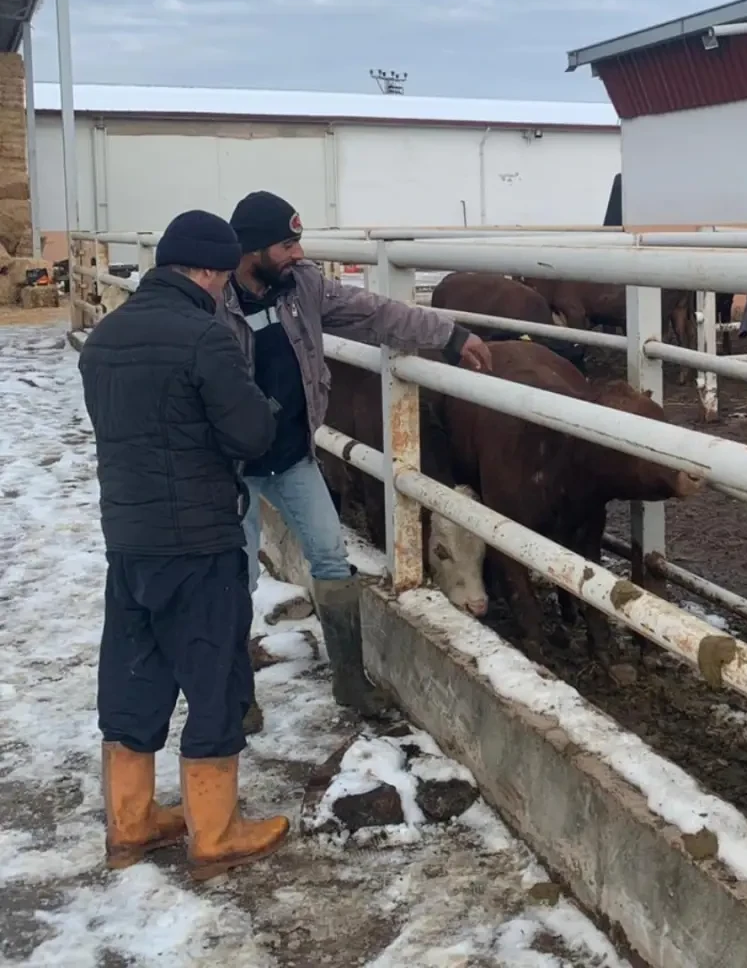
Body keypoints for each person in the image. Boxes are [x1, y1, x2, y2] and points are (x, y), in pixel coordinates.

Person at [218, 191, 492, 727]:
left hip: (293, 454)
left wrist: (450, 335)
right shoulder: (211, 298)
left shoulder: (301, 287)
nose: (298, 253)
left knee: (331, 559)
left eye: (298, 241)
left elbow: (375, 314)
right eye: (286, 244)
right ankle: (235, 694)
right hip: (230, 467)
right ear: (250, 250)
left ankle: (349, 680)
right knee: (235, 574)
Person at [80, 210, 290, 879]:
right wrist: (271, 405)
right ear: (207, 270)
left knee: (133, 674)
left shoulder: (105, 336)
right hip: (198, 541)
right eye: (224, 277)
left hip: (129, 538)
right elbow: (249, 434)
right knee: (214, 678)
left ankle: (131, 823)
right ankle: (216, 833)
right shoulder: (205, 338)